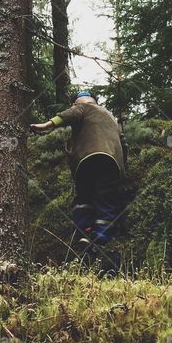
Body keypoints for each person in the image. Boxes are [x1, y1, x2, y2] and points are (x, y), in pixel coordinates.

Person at [31, 91, 127, 254]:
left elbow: (68, 115)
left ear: (80, 102)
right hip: (112, 162)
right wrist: (123, 167)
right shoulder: (111, 117)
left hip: (86, 159)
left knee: (84, 196)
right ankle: (103, 236)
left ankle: (85, 232)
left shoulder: (82, 108)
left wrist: (45, 125)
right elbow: (124, 143)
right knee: (105, 196)